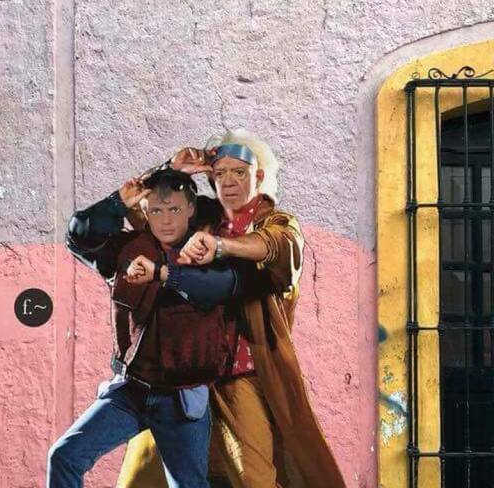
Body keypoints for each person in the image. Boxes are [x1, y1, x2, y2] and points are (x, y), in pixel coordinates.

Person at [118, 130, 346, 488]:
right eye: (220, 173)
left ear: (258, 176)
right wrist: (170, 169)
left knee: (254, 477)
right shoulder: (200, 218)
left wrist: (221, 246)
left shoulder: (276, 223)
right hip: (184, 370)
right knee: (147, 477)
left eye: (239, 172)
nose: (228, 181)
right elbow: (147, 214)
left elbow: (275, 246)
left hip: (240, 373)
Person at [47, 168, 239, 488]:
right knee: (64, 456)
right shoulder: (128, 248)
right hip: (131, 391)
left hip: (181, 399)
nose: (166, 220)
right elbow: (78, 236)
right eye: (157, 210)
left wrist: (162, 273)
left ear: (191, 209)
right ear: (146, 212)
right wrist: (118, 202)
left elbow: (221, 285)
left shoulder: (209, 251)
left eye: (174, 209)